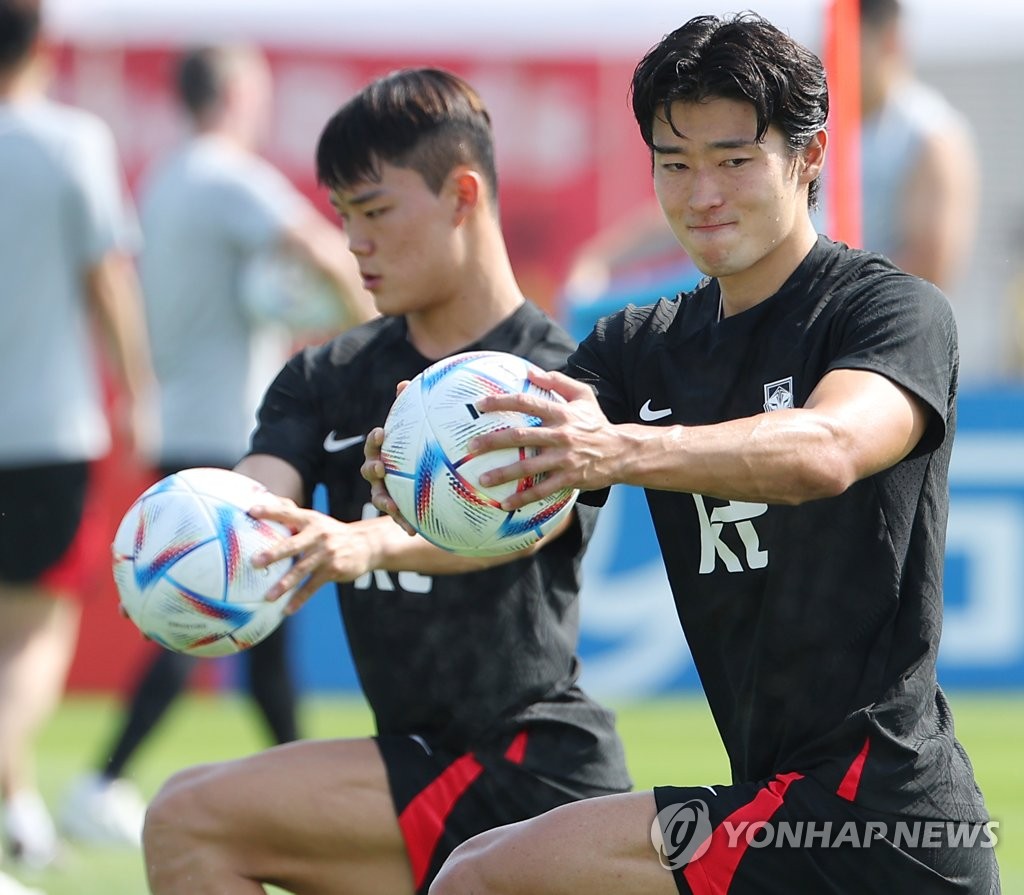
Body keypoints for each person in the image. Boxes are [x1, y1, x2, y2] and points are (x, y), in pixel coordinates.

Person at [365, 15, 999, 894]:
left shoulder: (890, 311)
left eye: (735, 160)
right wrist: (424, 483)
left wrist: (619, 448)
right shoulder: (638, 347)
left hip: (880, 816)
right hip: (776, 804)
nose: (702, 191)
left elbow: (826, 448)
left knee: (481, 874)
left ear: (808, 156)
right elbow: (522, 501)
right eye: (675, 162)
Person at [139, 67, 632, 895]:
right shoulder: (325, 375)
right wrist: (196, 548)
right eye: (342, 218)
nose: (353, 244)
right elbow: (256, 503)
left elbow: (518, 521)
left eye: (373, 212)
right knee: (186, 817)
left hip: (531, 767)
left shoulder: (556, 381)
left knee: (189, 816)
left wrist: (363, 540)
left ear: (462, 196)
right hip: (415, 760)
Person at [57, 44, 377, 848]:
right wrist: (375, 332)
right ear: (236, 93)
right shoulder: (229, 176)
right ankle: (102, 780)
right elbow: (313, 243)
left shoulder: (164, 180)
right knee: (200, 612)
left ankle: (298, 786)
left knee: (252, 624)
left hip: (191, 425)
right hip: (238, 435)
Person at [0, 0, 155, 887]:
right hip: (47, 427)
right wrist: (140, 390)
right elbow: (107, 274)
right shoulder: (69, 141)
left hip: (39, 428)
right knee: (36, 634)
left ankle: (20, 810)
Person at [564, 0, 979, 302]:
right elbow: (704, 189)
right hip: (764, 300)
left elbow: (929, 268)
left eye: (845, 41)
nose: (831, 53)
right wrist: (603, 257)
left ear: (887, 42)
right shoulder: (804, 113)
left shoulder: (931, 137)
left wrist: (821, 300)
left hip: (846, 318)